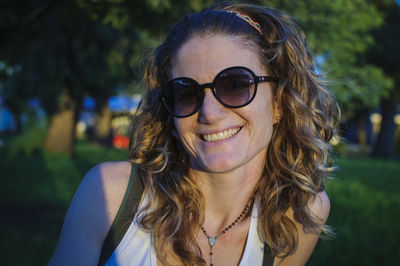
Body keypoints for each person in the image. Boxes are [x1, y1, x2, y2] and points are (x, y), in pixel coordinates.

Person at [49, 1, 340, 265]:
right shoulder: (110, 195)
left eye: (236, 85)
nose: (209, 114)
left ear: (278, 103)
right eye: (186, 93)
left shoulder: (299, 214)